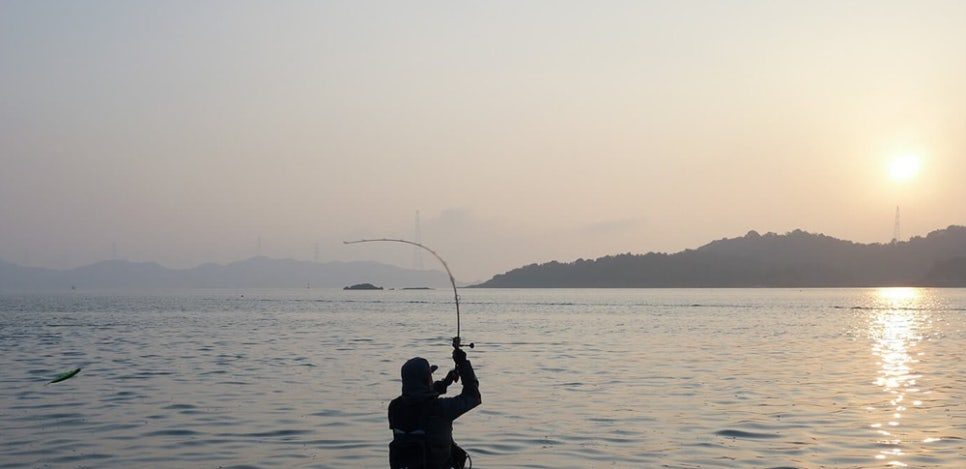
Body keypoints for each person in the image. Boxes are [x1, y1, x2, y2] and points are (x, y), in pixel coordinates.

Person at [388, 344, 481, 469]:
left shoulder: (395, 408)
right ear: (427, 382)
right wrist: (463, 363)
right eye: (430, 377)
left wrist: (445, 383)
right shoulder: (441, 409)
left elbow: (418, 402)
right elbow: (473, 396)